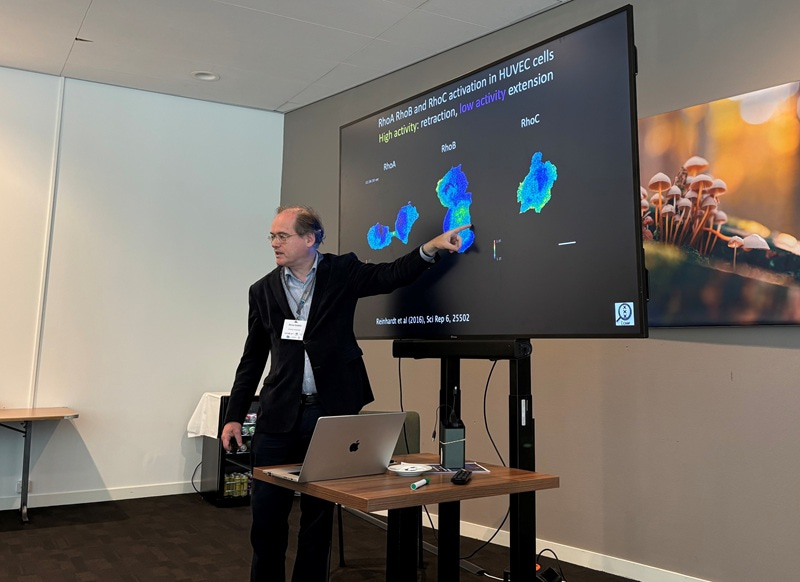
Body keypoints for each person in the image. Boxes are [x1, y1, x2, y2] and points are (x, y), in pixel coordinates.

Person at [221, 205, 469, 582]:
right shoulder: (263, 290)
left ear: (310, 238)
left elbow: (390, 276)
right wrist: (234, 415)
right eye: (272, 236)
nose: (274, 243)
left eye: (282, 235)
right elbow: (252, 358)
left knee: (318, 520)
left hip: (330, 414)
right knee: (267, 521)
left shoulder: (341, 272)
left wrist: (430, 248)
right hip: (278, 414)